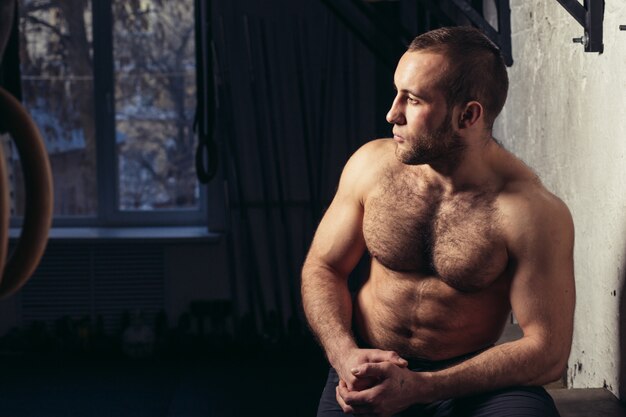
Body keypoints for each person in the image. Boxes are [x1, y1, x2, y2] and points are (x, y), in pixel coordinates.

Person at [301, 26, 575, 417]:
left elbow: (548, 352)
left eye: (412, 100)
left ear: (468, 115)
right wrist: (345, 355)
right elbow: (323, 267)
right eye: (397, 94)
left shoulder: (531, 212)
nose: (392, 113)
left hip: (470, 381)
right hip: (369, 369)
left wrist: (421, 387)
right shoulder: (371, 167)